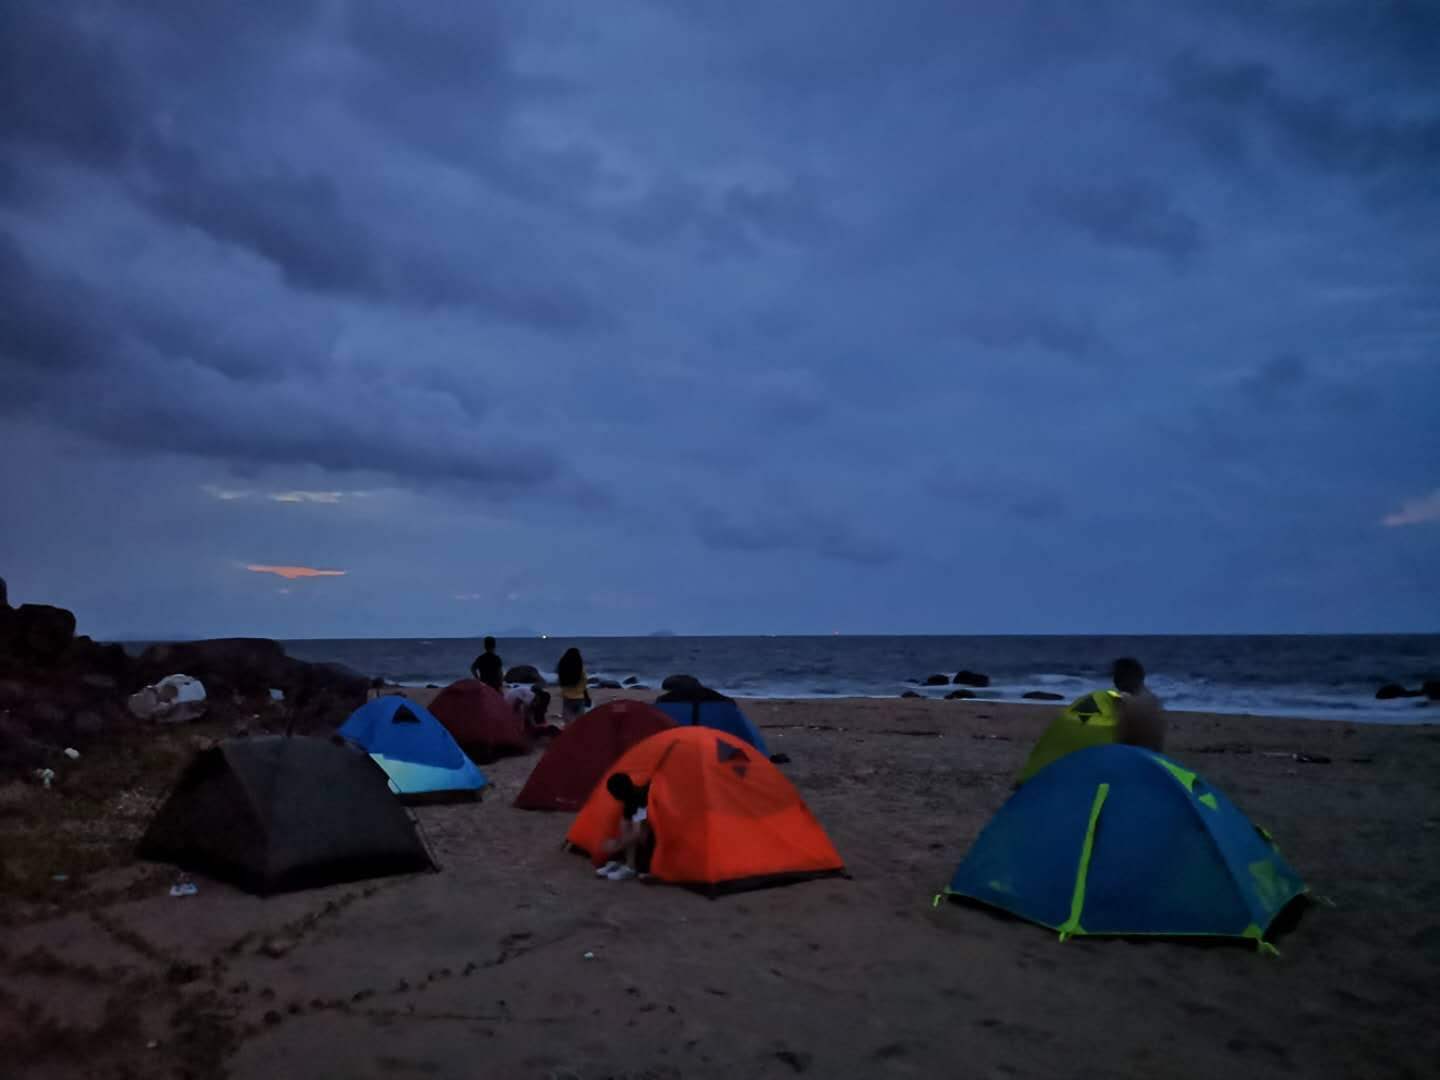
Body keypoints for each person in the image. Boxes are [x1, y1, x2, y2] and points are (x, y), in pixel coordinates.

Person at [594, 772, 653, 881]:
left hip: (653, 835)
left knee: (634, 833)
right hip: (641, 828)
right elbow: (625, 824)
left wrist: (617, 845)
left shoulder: (640, 800)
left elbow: (640, 834)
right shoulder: (629, 799)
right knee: (625, 827)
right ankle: (624, 862)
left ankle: (630, 867)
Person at [1112, 657, 1166, 751]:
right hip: (1154, 757)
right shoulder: (1154, 700)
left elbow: (1121, 740)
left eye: (1117, 676)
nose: (1114, 680)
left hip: (1134, 757)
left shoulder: (1128, 703)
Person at [556, 647, 590, 724]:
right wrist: (587, 697)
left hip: (567, 698)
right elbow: (584, 684)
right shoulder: (580, 670)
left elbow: (560, 683)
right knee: (580, 722)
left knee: (568, 722)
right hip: (579, 698)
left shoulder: (562, 669)